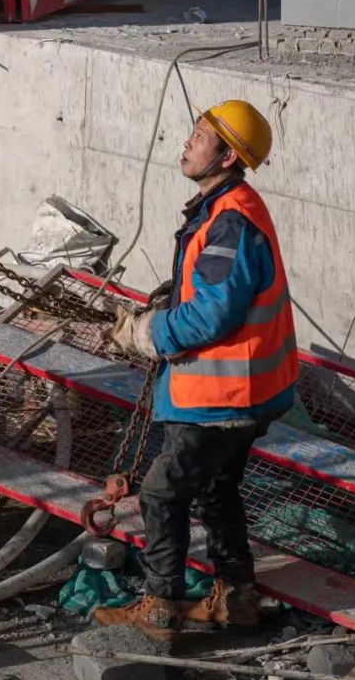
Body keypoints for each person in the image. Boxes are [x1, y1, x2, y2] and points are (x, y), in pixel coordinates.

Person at [93, 100, 298, 637]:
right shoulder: (228, 207)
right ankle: (238, 600)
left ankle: (162, 609)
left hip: (223, 397)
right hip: (248, 392)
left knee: (163, 494)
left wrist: (149, 332)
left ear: (228, 155)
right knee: (216, 491)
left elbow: (214, 313)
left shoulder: (230, 222)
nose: (187, 142)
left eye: (201, 135)